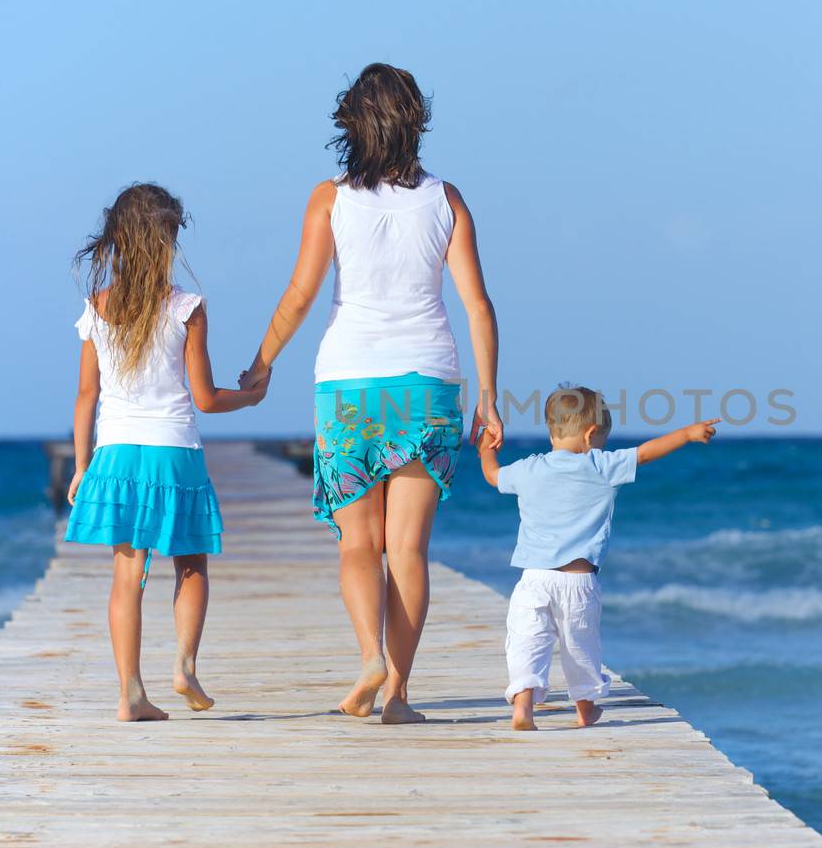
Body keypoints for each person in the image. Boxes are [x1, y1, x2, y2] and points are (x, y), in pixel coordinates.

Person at [239, 64, 501, 725]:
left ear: (352, 123)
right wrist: (489, 397)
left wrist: (262, 361)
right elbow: (477, 306)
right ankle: (399, 695)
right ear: (415, 120)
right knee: (407, 548)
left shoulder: (329, 199)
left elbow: (299, 295)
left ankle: (368, 657)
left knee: (358, 542)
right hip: (428, 384)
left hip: (350, 383)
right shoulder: (447, 201)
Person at [65, 183, 268, 722]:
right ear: (165, 240)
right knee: (191, 564)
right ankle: (183, 665)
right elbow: (204, 398)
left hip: (115, 457)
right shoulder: (186, 307)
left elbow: (87, 397)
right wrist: (250, 396)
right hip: (173, 451)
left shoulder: (98, 307)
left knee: (126, 576)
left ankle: (130, 691)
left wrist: (82, 465)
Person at [477, 385, 717, 730]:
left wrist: (486, 450)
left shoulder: (528, 470)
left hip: (533, 581)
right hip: (578, 582)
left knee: (527, 642)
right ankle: (585, 709)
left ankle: (523, 708)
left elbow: (492, 476)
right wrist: (686, 434)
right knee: (581, 648)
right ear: (591, 435)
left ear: (551, 430)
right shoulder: (600, 466)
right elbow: (646, 454)